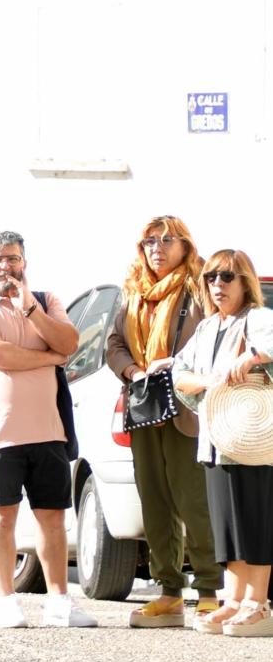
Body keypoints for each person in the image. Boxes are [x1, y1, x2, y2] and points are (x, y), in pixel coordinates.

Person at [0, 231, 96, 630]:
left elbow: (69, 341)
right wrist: (50, 357)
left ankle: (59, 603)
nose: (6, 266)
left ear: (24, 263)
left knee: (53, 517)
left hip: (48, 429)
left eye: (12, 258)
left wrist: (30, 310)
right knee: (2, 516)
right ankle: (6, 600)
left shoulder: (46, 302)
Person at [105, 216, 220, 627]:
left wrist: (179, 363)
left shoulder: (200, 286)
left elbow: (215, 336)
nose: (157, 247)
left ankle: (208, 589)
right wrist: (134, 371)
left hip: (187, 404)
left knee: (193, 500)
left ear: (185, 246)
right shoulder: (133, 290)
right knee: (154, 501)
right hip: (144, 404)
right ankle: (169, 592)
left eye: (167, 240)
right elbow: (113, 344)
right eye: (150, 241)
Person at [167, 249, 273, 637]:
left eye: (227, 277)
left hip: (255, 435)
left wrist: (252, 357)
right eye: (211, 277)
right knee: (227, 524)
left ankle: (257, 603)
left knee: (255, 519)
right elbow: (180, 374)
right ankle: (234, 599)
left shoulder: (259, 320)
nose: (217, 285)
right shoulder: (207, 328)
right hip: (215, 436)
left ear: (246, 281)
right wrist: (213, 380)